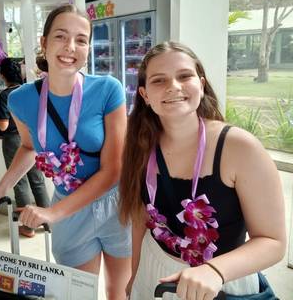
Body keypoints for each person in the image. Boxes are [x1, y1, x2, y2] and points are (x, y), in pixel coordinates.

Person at [0, 4, 132, 300]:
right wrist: (1, 188)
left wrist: (51, 212)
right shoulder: (21, 100)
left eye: (81, 39)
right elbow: (28, 147)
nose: (70, 47)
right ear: (44, 43)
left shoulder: (107, 90)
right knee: (79, 296)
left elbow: (113, 170)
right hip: (70, 213)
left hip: (116, 206)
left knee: (119, 294)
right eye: (61, 36)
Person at [118, 41, 286, 300]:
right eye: (159, 80)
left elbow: (273, 242)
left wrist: (214, 270)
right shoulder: (141, 143)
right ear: (144, 95)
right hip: (154, 272)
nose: (173, 86)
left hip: (223, 282)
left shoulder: (239, 147)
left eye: (184, 76)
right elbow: (141, 220)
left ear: (201, 83)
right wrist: (135, 275)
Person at [0, 57, 50, 238]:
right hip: (33, 138)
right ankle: (48, 221)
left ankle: (28, 227)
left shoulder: (5, 96)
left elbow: (3, 125)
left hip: (13, 140)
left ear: (3, 75)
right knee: (37, 179)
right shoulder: (29, 91)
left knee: (19, 182)